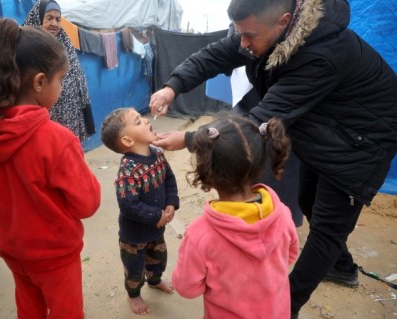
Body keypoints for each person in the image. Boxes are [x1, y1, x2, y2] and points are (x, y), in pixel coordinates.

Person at [149, 0, 397, 317]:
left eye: (248, 36)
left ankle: (288, 306)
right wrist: (173, 86)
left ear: (283, 22)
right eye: (239, 34)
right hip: (327, 128)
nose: (243, 44)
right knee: (307, 199)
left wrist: (188, 139)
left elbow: (258, 121)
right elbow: (215, 54)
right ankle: (343, 267)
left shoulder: (321, 56)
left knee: (327, 230)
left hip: (363, 142)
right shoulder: (259, 33)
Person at [0, 18, 101, 318]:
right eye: (61, 79)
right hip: (55, 255)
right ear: (39, 82)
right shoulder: (58, 140)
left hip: (13, 251)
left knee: (29, 308)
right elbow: (87, 203)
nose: (62, 86)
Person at [173, 114, 299, 318]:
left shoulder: (200, 235)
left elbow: (187, 288)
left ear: (207, 173)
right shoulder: (282, 213)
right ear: (260, 163)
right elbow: (290, 254)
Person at [100, 107, 179, 315]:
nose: (145, 120)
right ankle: (133, 295)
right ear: (127, 141)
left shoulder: (158, 155)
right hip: (133, 237)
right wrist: (157, 216)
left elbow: (169, 179)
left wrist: (171, 202)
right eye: (137, 122)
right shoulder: (128, 171)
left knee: (158, 260)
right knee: (134, 270)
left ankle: (155, 280)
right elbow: (128, 205)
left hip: (156, 230)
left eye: (141, 117)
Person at [23, 0, 95, 140]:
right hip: (40, 117)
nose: (54, 24)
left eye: (58, 19)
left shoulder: (64, 44)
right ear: (37, 18)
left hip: (70, 115)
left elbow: (78, 77)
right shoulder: (25, 46)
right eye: (49, 18)